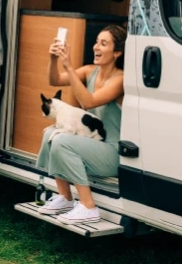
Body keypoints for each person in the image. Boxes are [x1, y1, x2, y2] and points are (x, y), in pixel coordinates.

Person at [35, 25, 127, 224]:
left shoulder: (120, 80)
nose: (96, 47)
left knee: (62, 141)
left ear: (117, 52)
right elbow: (54, 80)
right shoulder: (89, 71)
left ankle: (88, 206)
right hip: (93, 143)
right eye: (96, 42)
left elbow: (88, 102)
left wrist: (68, 65)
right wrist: (53, 58)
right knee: (49, 133)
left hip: (113, 152)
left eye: (103, 44)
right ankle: (65, 197)